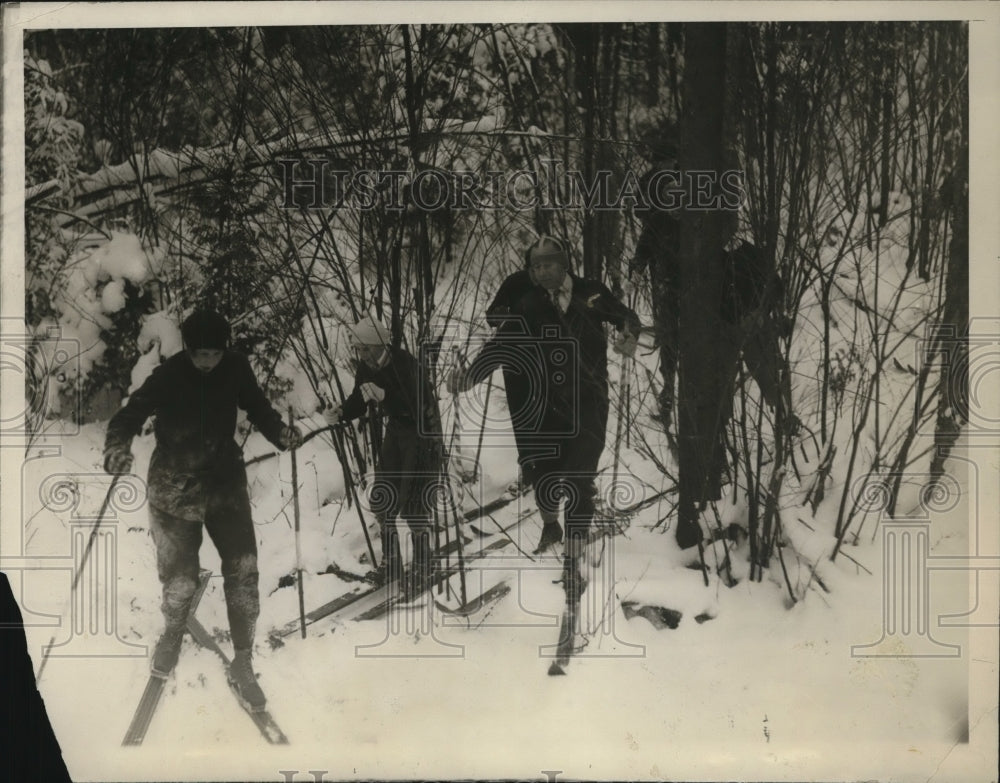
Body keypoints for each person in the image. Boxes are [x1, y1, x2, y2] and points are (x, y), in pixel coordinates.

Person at [103, 309, 301, 710]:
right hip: (174, 486)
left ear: (224, 350)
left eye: (214, 354)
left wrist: (279, 431)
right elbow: (129, 415)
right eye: (200, 354)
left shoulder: (236, 368)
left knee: (244, 567)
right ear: (189, 350)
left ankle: (243, 659)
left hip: (223, 481)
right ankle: (173, 631)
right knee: (179, 581)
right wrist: (116, 447)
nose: (208, 362)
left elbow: (258, 406)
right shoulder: (169, 375)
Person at [450, 236, 641, 593]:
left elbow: (625, 318)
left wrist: (629, 334)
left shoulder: (591, 293)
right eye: (536, 267)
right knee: (544, 475)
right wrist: (469, 377)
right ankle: (551, 524)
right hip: (547, 406)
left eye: (548, 264)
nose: (541, 272)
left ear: (564, 263)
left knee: (578, 478)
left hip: (589, 400)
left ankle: (572, 558)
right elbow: (501, 344)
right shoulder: (527, 304)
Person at [325, 317, 443, 597]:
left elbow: (419, 403)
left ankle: (426, 564)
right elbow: (359, 398)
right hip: (398, 428)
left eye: (367, 349)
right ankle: (392, 561)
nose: (363, 356)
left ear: (381, 344)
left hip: (422, 430)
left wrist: (386, 396)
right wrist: (341, 412)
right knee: (382, 494)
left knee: (414, 500)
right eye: (359, 350)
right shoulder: (366, 368)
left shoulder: (405, 364)